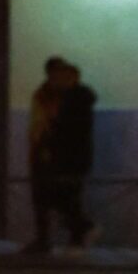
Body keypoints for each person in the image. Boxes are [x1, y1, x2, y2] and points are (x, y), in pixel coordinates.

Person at [24, 57, 97, 254]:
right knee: (48, 198)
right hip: (50, 154)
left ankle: (79, 233)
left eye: (63, 74)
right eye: (57, 73)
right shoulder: (45, 95)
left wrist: (46, 142)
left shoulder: (71, 97)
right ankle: (61, 239)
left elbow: (66, 130)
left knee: (64, 198)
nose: (59, 77)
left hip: (63, 157)